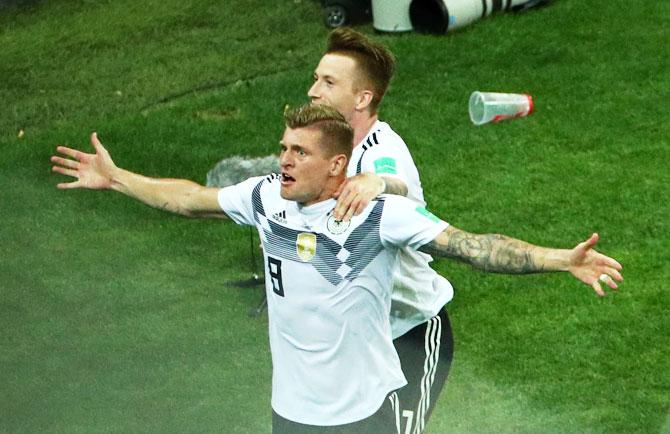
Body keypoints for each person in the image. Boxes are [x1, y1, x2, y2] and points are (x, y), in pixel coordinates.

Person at [52, 103, 623, 433]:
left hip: (363, 416)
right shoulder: (266, 198)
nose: (284, 160)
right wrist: (119, 177)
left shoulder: (379, 215)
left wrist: (559, 260)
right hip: (291, 412)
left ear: (336, 164)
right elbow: (186, 198)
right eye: (283, 148)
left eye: (299, 153)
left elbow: (475, 247)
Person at [309, 27, 455, 432]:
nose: (313, 90)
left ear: (362, 98)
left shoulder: (382, 152)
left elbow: (394, 183)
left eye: (328, 82)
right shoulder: (327, 148)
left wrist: (377, 183)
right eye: (315, 78)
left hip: (410, 333)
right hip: (357, 341)